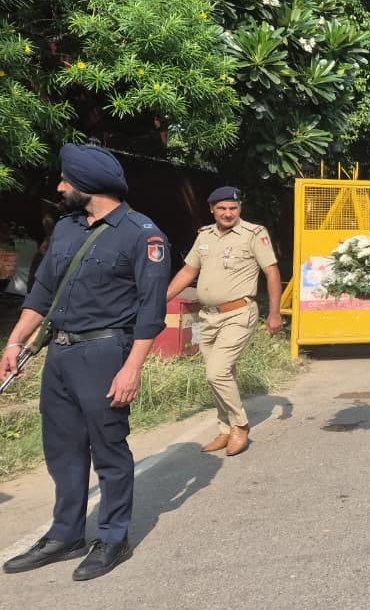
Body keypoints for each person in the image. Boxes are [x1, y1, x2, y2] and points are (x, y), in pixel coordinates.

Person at [1, 144, 169, 580]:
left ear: (89, 186)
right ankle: (65, 533)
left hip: (106, 353)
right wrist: (14, 344)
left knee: (109, 450)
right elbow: (41, 293)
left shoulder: (142, 234)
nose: (60, 187)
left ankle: (113, 537)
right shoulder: (68, 228)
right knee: (62, 449)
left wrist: (132, 368)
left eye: (66, 180)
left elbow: (151, 314)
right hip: (58, 353)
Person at [164, 186, 283, 457]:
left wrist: (275, 313)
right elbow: (189, 270)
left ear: (240, 209)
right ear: (212, 209)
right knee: (218, 376)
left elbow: (272, 272)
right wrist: (162, 299)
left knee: (216, 372)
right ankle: (225, 429)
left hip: (239, 314)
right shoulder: (204, 236)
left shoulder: (254, 234)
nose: (228, 213)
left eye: (233, 208)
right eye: (222, 209)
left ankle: (240, 425)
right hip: (209, 316)